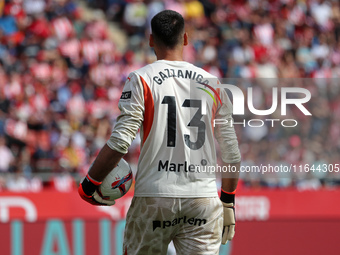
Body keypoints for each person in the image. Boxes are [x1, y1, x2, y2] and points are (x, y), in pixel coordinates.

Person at [78, 10, 241, 255]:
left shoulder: (141, 79)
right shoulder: (214, 84)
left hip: (154, 196)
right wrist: (227, 200)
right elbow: (231, 153)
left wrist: (90, 184)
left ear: (151, 40)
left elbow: (121, 142)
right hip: (202, 198)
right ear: (185, 39)